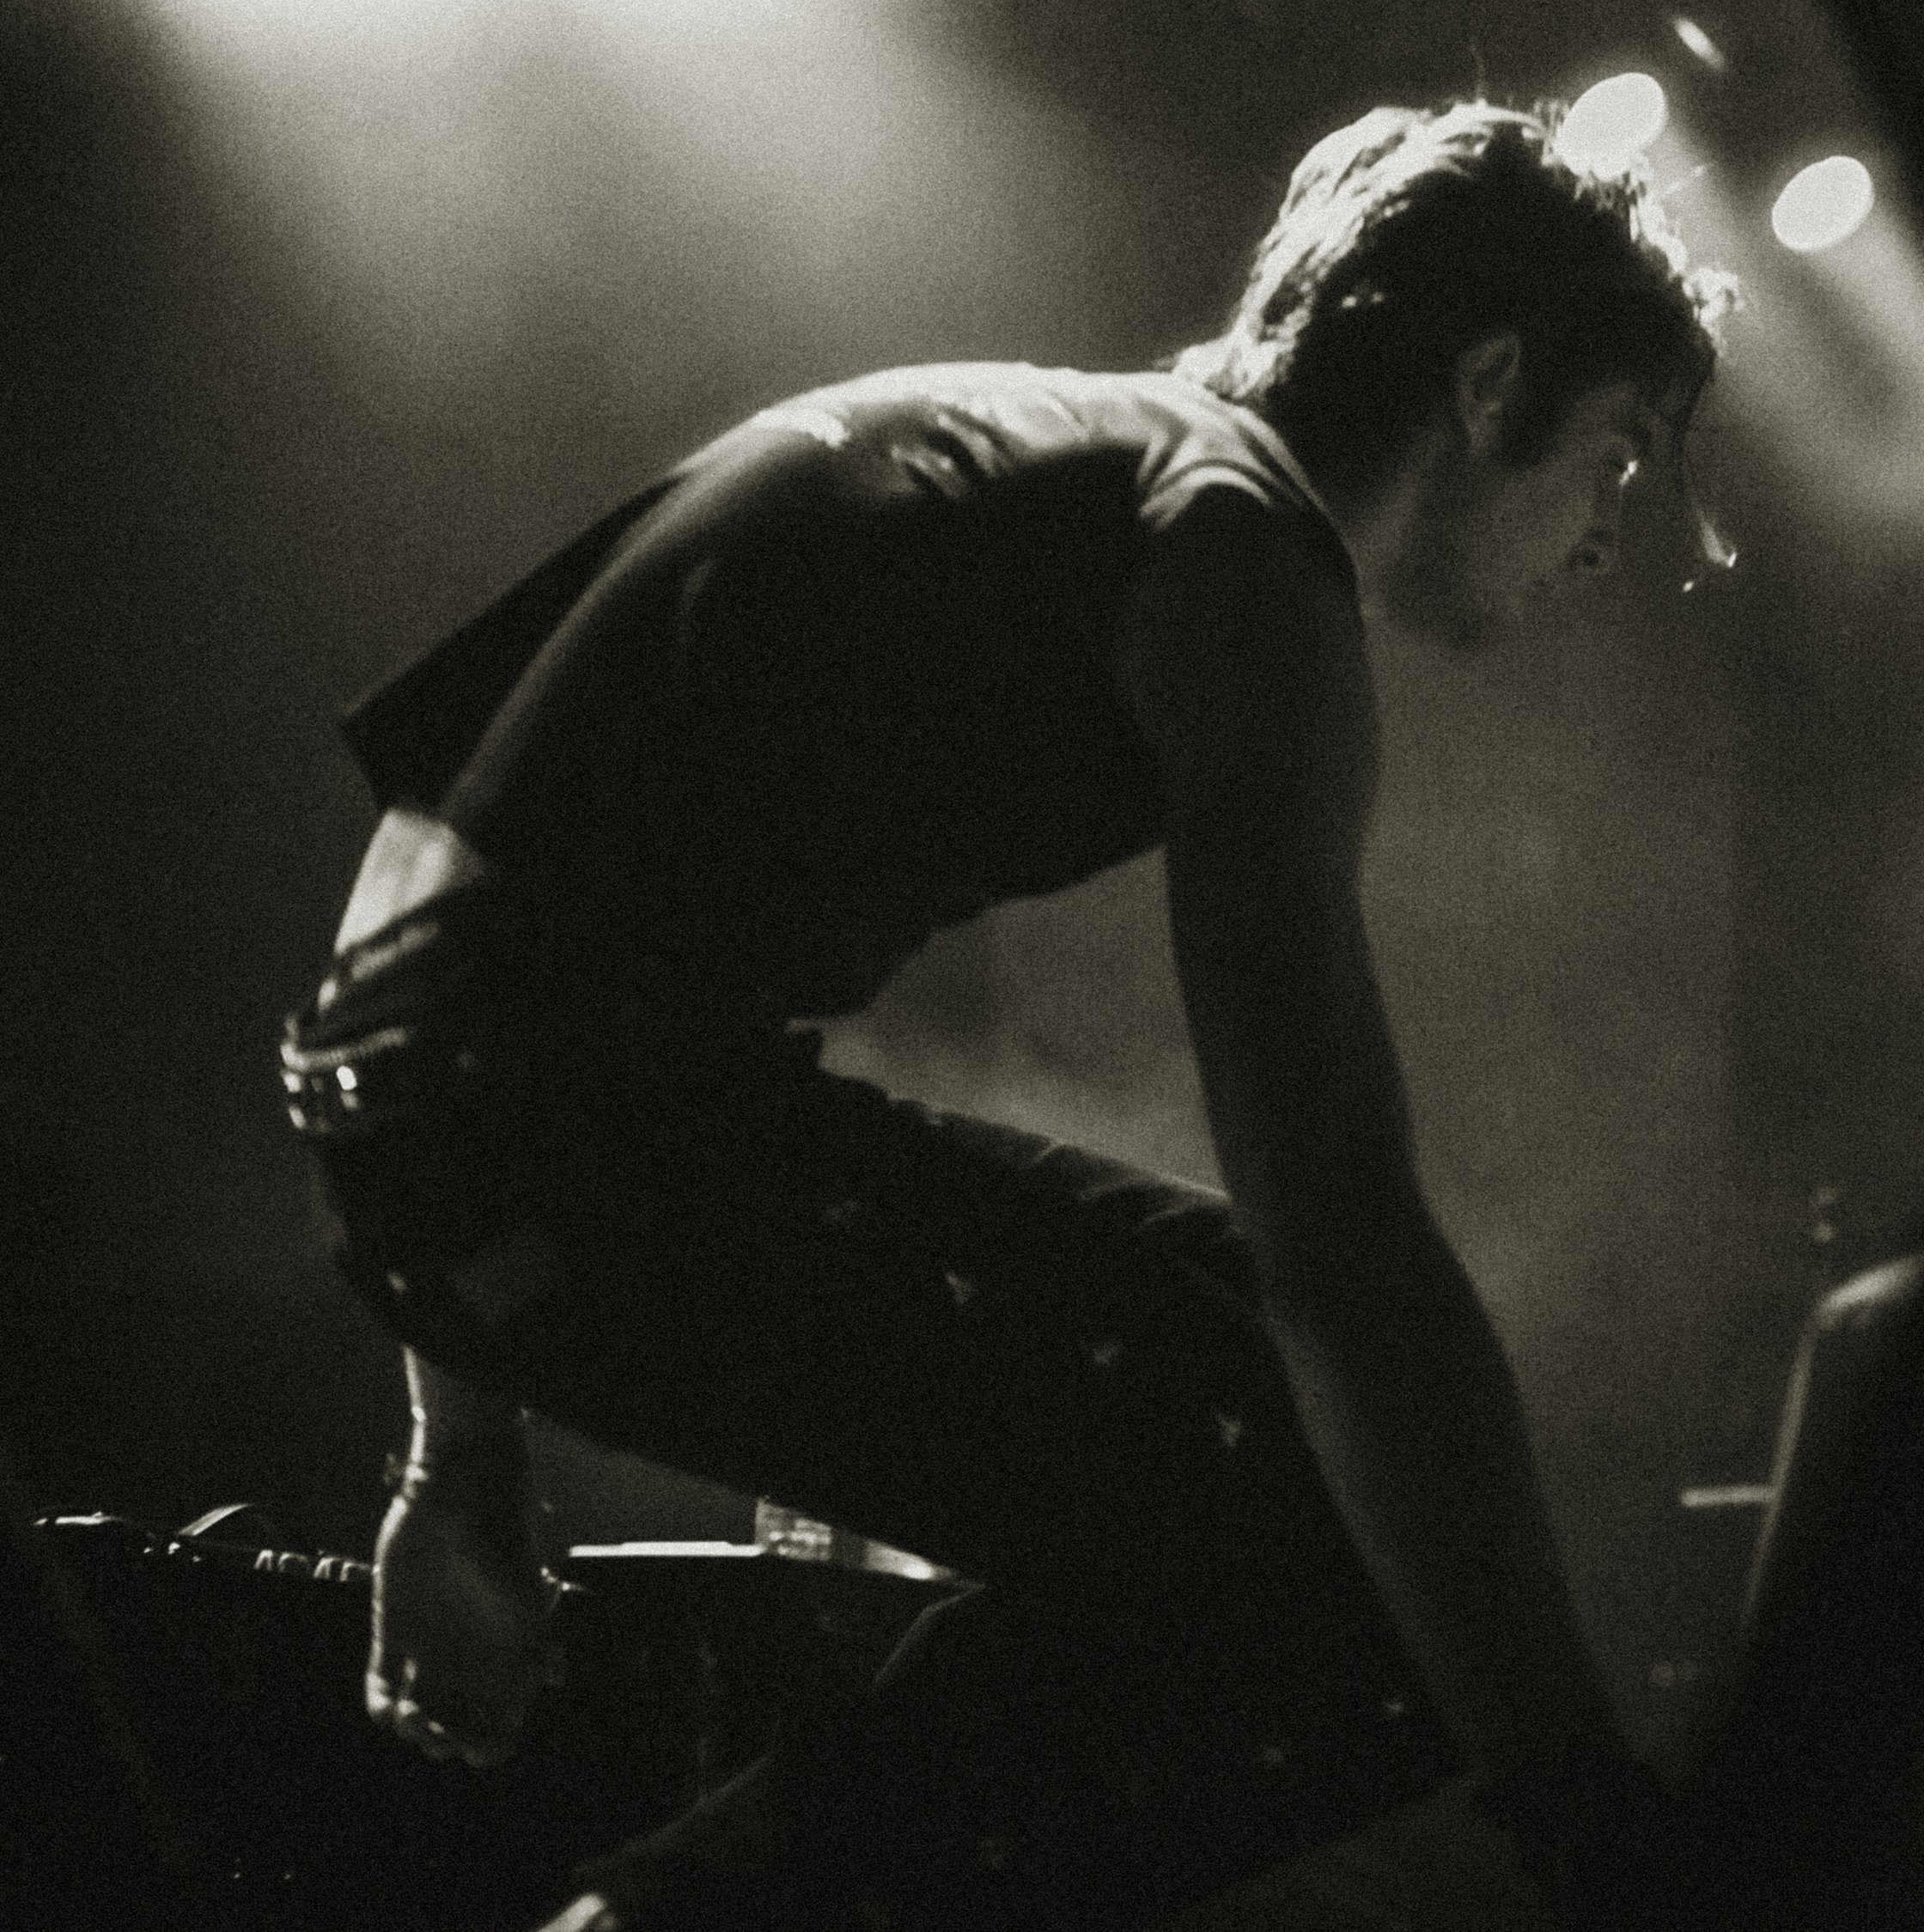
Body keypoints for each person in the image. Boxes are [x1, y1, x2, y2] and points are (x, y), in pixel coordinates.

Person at [279, 98, 1734, 1932]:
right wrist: (1567, 1787)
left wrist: (458, 1463)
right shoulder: (1230, 548)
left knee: (1268, 1445)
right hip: (563, 1142)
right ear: (1487, 379)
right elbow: (1341, 1245)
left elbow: (441, 855)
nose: (1610, 538)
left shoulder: (1010, 438)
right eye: (1613, 457)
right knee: (1358, 1581)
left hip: (440, 1127)